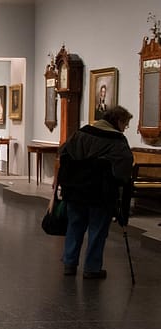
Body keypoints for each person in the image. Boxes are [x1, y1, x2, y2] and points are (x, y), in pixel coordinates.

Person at [58, 105, 134, 279]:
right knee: (97, 230)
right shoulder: (117, 140)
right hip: (101, 193)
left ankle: (69, 264)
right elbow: (124, 169)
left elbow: (64, 153)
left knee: (75, 226)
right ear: (118, 121)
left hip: (76, 191)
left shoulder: (82, 133)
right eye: (125, 124)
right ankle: (92, 268)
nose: (125, 128)